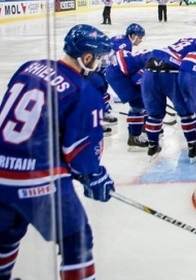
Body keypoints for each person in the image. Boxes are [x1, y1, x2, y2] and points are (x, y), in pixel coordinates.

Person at [0, 24, 115, 279]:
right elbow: (79, 155)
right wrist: (95, 177)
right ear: (86, 57)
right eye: (99, 58)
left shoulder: (29, 67)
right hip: (38, 181)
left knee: (5, 236)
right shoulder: (85, 92)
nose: (101, 64)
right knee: (77, 241)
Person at [141, 33, 196, 157]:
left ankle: (152, 145)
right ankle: (193, 147)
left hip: (149, 69)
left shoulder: (186, 41)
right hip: (171, 71)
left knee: (154, 115)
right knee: (187, 114)